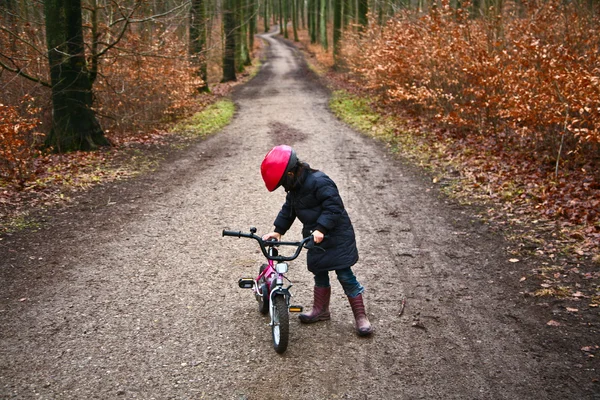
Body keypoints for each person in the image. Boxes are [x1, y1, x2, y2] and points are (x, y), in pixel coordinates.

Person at [260, 145, 373, 336]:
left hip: (336, 236)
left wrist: (321, 228)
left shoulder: (320, 181)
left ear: (290, 173)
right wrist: (278, 231)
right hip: (315, 237)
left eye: (282, 182)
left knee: (345, 275)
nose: (284, 188)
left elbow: (334, 206)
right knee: (319, 273)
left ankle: (361, 317)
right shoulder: (295, 188)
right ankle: (321, 310)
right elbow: (289, 210)